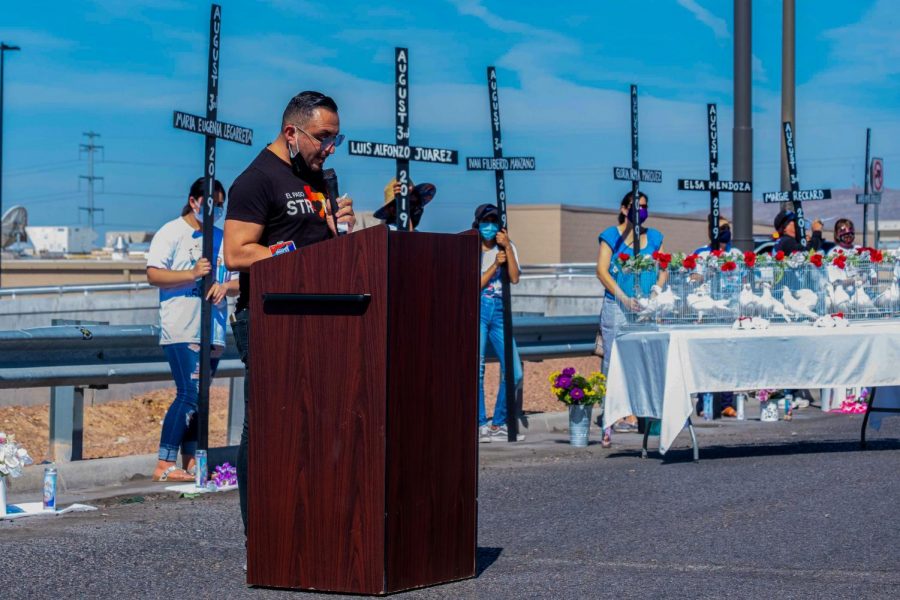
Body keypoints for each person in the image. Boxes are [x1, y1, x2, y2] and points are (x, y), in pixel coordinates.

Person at [223, 91, 356, 541]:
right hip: (269, 316)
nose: (329, 148)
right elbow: (237, 252)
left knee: (318, 423)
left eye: (336, 139)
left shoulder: (316, 178)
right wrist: (294, 254)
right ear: (291, 132)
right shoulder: (256, 180)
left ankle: (309, 524)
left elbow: (324, 248)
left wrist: (342, 231)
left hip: (319, 315)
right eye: (323, 138)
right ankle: (261, 533)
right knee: (267, 426)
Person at [146, 177, 239, 482]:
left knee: (200, 397)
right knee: (188, 393)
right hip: (182, 328)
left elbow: (242, 278)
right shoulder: (171, 232)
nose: (217, 210)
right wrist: (191, 274)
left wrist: (226, 286)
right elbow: (154, 274)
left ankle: (189, 462)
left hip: (212, 330)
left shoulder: (222, 238)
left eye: (221, 205)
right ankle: (163, 462)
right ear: (194, 200)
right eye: (213, 203)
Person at [595, 191, 667, 446]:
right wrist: (624, 298)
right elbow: (602, 271)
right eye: (637, 207)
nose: (641, 211)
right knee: (612, 363)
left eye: (645, 206)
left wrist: (656, 292)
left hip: (646, 308)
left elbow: (663, 268)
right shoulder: (611, 236)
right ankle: (608, 419)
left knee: (646, 359)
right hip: (617, 306)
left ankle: (644, 415)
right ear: (624, 209)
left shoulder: (655, 237)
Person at [474, 203, 524, 443]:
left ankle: (499, 422)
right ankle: (480, 422)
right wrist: (494, 264)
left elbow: (514, 278)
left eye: (494, 222)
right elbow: (474, 285)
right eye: (486, 222)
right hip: (480, 309)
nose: (489, 227)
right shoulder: (473, 249)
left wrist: (507, 249)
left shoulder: (508, 247)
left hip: (501, 311)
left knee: (514, 372)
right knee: (478, 369)